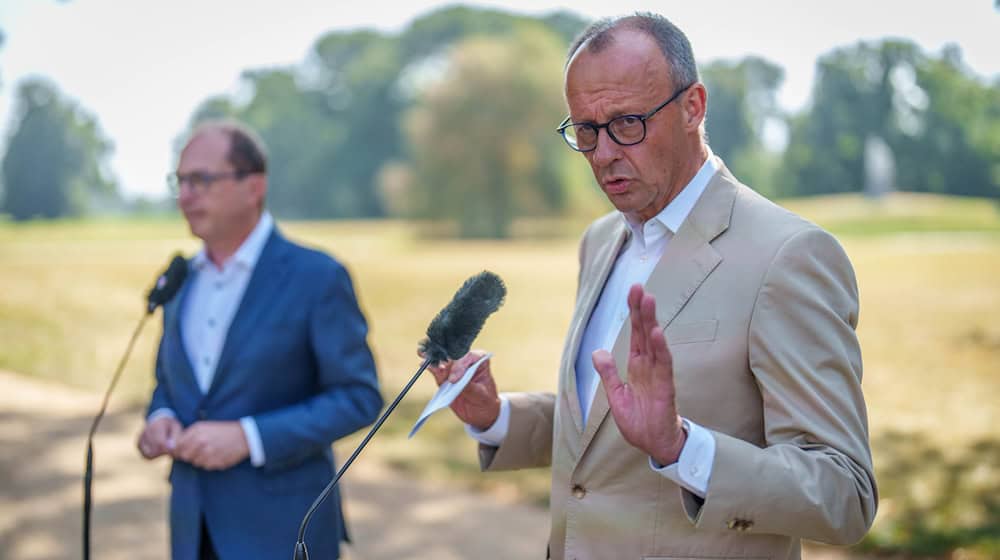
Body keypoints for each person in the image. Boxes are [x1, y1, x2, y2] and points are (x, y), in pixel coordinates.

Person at [428, 13, 877, 560]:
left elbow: (844, 493)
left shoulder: (788, 256)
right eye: (586, 131)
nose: (603, 153)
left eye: (627, 123)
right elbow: (602, 426)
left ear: (693, 107)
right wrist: (495, 415)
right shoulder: (599, 241)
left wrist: (682, 447)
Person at [136, 120, 383, 560]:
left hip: (286, 534)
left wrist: (249, 438)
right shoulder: (180, 281)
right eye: (180, 180)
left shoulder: (318, 277)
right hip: (192, 530)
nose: (185, 195)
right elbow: (169, 383)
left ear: (254, 187)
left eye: (202, 179)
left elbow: (358, 396)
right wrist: (162, 415)